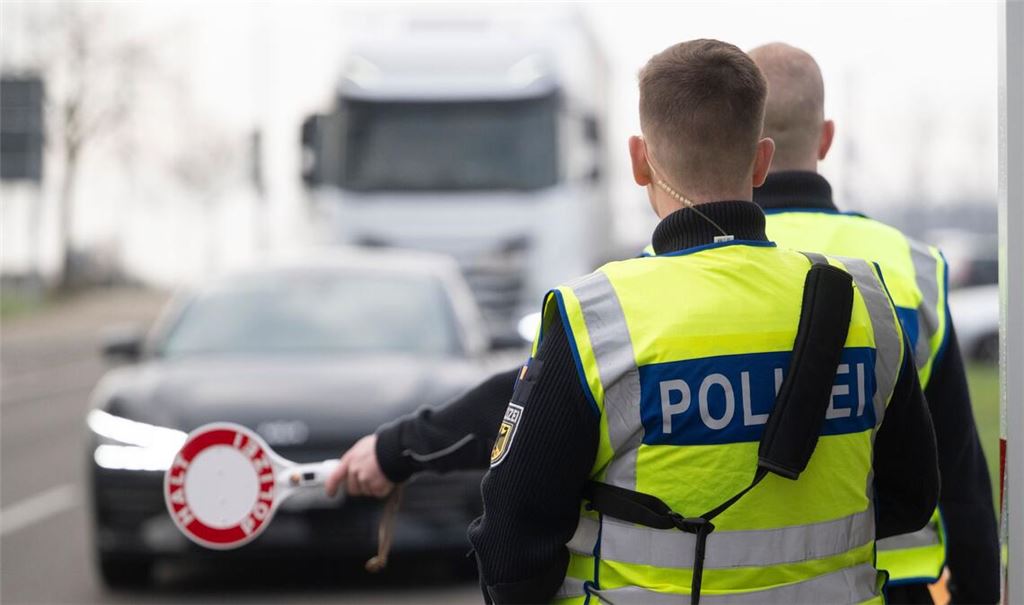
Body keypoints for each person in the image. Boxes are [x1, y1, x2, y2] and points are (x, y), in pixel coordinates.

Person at [332, 38, 939, 604]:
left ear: (639, 161)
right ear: (761, 163)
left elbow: (514, 540)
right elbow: (912, 497)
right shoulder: (865, 299)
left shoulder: (601, 316)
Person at [746, 42, 999, 605]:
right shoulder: (912, 265)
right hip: (893, 583)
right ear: (826, 137)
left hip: (727, 585)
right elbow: (959, 473)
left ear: (740, 142)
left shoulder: (669, 267)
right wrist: (979, 590)